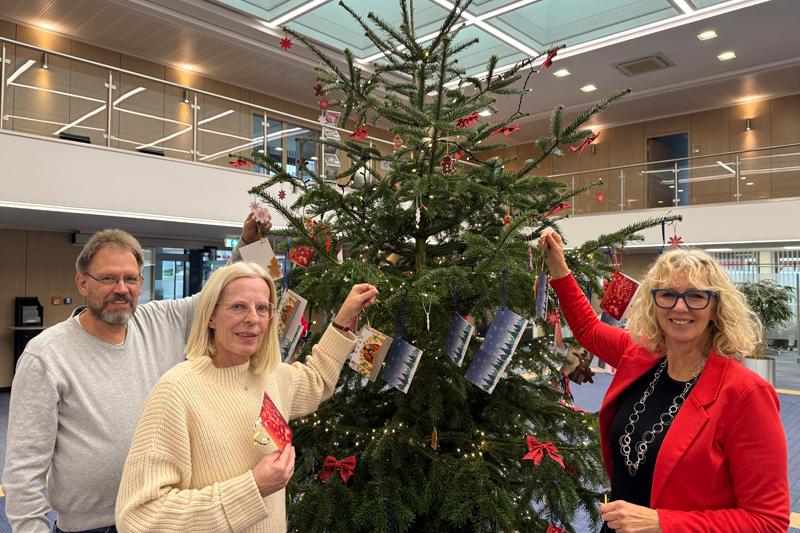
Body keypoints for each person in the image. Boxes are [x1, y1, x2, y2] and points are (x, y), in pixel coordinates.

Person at [3, 214, 265, 533]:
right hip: (92, 527)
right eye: (108, 279)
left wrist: (250, 246)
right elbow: (23, 472)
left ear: (141, 283)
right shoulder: (46, 355)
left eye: (130, 279)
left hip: (163, 514)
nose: (121, 289)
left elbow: (221, 292)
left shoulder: (159, 320)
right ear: (82, 282)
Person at [538, 229, 789, 532]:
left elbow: (768, 521)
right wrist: (558, 267)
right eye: (668, 294)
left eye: (696, 296)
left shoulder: (745, 393)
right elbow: (588, 328)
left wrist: (662, 523)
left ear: (716, 307)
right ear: (654, 303)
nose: (679, 307)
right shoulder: (639, 356)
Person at [114, 262, 378, 533]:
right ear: (211, 317)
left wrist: (342, 321)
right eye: (238, 306)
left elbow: (316, 381)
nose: (253, 318)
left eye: (262, 308)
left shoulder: (272, 376)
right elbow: (139, 517)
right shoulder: (176, 391)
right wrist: (252, 488)